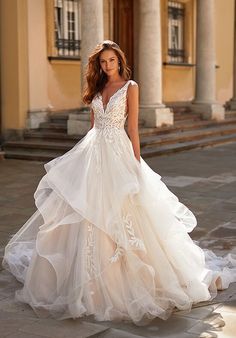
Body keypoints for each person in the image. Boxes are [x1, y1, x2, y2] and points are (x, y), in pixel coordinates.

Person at [2, 40, 236, 325]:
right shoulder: (97, 89)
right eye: (102, 62)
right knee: (84, 209)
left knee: (124, 211)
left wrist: (136, 164)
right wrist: (82, 159)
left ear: (119, 61)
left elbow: (133, 127)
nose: (107, 65)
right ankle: (82, 279)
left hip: (118, 151)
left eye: (111, 60)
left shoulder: (131, 87)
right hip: (93, 152)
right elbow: (92, 128)